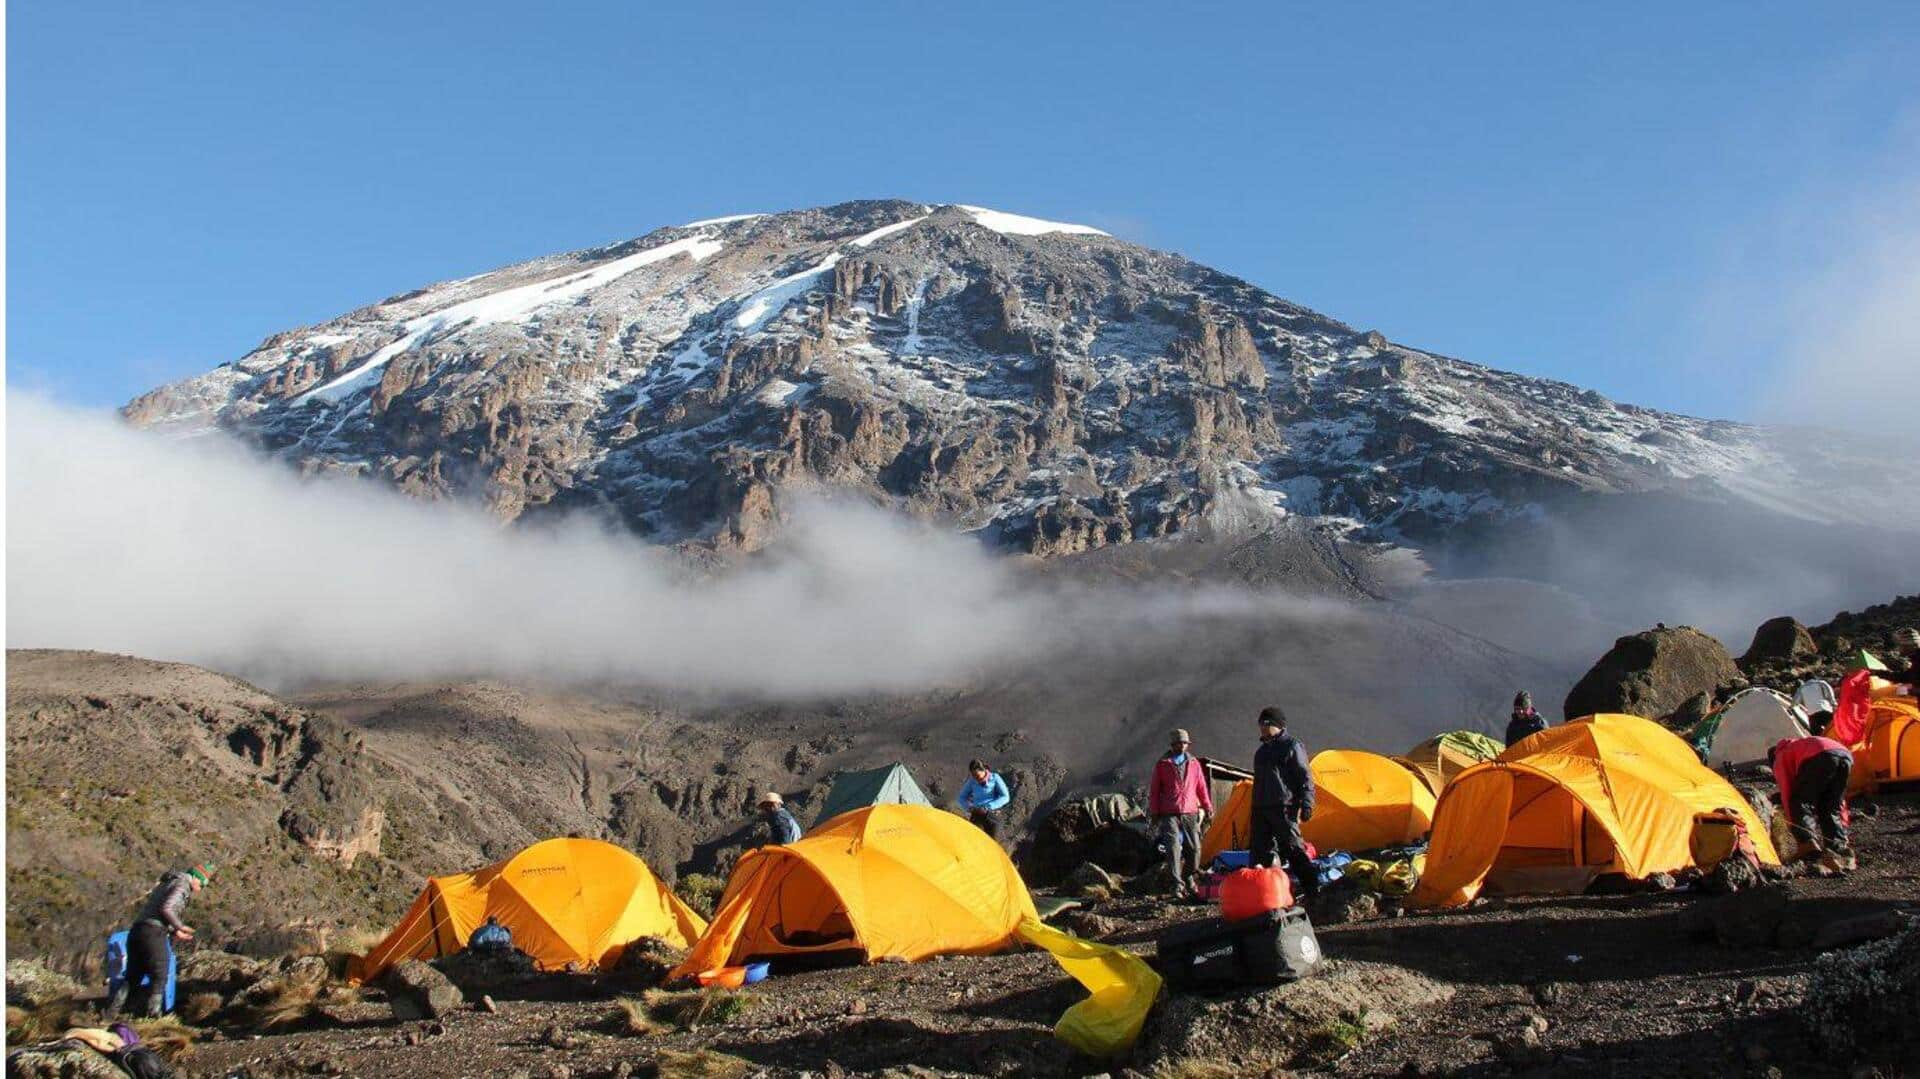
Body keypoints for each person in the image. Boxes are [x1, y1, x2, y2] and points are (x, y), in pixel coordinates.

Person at [1248, 707, 1318, 901]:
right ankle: (1261, 894)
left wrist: (1306, 803)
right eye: (1261, 724)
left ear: (1277, 725)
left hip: (1284, 806)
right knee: (1259, 851)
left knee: (1292, 847)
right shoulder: (1261, 752)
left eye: (1267, 724)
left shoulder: (1291, 746)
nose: (1262, 728)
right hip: (1261, 807)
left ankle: (1312, 886)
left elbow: (1304, 776)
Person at [120, 864, 208, 1017]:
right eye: (202, 884)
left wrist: (175, 932)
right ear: (196, 878)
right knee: (160, 974)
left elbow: (156, 910)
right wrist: (180, 926)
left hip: (137, 930)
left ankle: (111, 1015)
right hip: (153, 933)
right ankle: (153, 1015)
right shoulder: (182, 885)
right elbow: (167, 908)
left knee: (133, 976)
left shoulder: (168, 882)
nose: (201, 889)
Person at [1769, 735, 1855, 871]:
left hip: (1820, 756)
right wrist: (1844, 822)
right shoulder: (1800, 746)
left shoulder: (1781, 756)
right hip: (1845, 755)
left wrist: (1793, 824)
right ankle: (1838, 846)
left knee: (1799, 802)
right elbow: (1839, 802)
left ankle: (1808, 845)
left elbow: (1788, 793)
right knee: (1829, 805)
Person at [1148, 728, 1215, 898]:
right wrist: (1155, 812)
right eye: (1179, 743)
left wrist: (1207, 806)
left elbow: (1201, 787)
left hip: (1190, 811)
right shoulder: (1163, 764)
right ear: (1173, 744)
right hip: (1168, 812)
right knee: (1173, 847)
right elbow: (1155, 790)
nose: (1182, 746)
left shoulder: (1194, 764)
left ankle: (1188, 876)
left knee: (1195, 848)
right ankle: (1177, 885)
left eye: (1185, 743)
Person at [957, 759, 1011, 837]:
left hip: (991, 815)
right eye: (973, 776)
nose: (976, 778)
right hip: (976, 815)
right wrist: (969, 807)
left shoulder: (994, 778)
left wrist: (988, 807)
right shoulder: (972, 781)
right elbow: (961, 797)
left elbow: (1006, 797)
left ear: (983, 770)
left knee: (992, 843)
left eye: (977, 776)